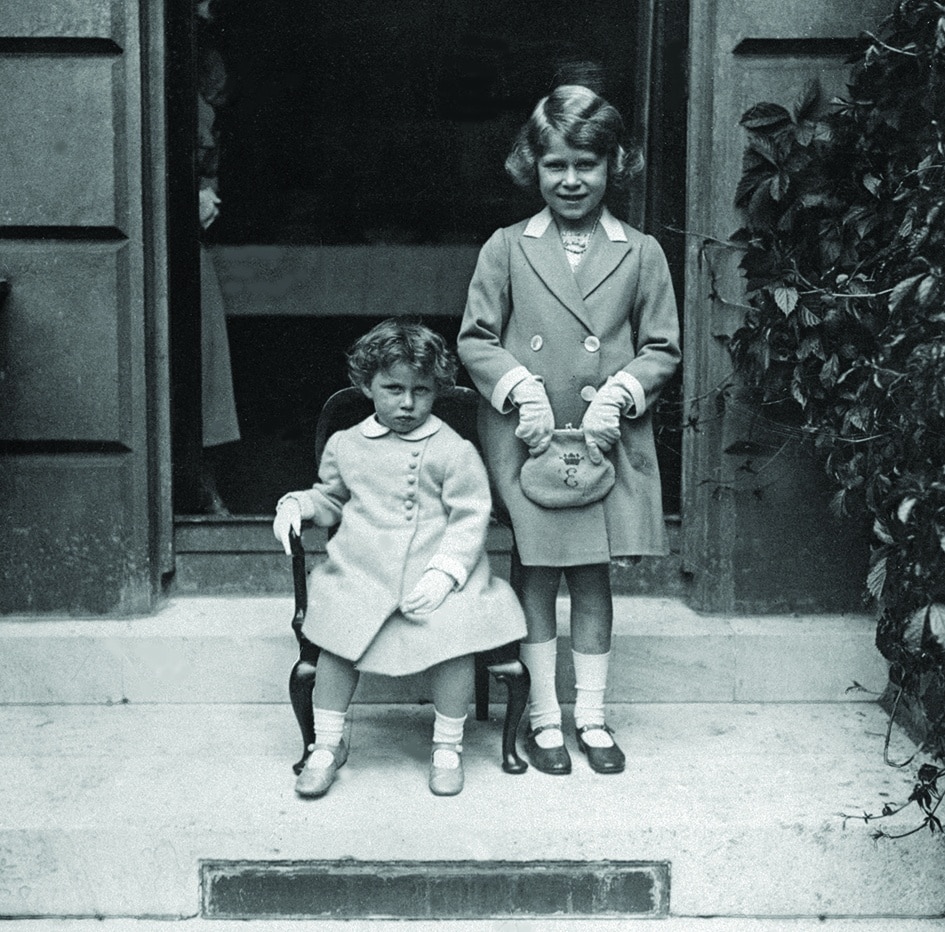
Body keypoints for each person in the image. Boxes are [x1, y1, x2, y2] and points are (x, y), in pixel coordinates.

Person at [457, 84, 681, 776]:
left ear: (615, 163)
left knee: (591, 577)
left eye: (586, 163)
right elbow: (474, 337)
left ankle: (592, 715)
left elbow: (662, 347)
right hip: (530, 439)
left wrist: (621, 392)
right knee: (535, 570)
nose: (571, 179)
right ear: (533, 165)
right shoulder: (506, 247)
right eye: (555, 165)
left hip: (600, 439)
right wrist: (515, 385)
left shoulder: (639, 251)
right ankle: (543, 718)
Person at [273, 319, 527, 798]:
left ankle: (448, 746)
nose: (407, 403)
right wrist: (299, 504)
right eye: (392, 389)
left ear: (437, 392)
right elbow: (331, 499)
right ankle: (327, 745)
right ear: (367, 385)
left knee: (453, 636)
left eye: (421, 391)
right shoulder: (346, 444)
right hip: (362, 567)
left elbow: (471, 516)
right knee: (337, 635)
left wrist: (445, 574)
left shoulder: (453, 449)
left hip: (438, 570)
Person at [195, 0, 240, 514]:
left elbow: (208, 149)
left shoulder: (204, 57)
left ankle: (205, 491)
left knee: (205, 368)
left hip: (195, 247)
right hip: (179, 248)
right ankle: (200, 492)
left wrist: (205, 183)